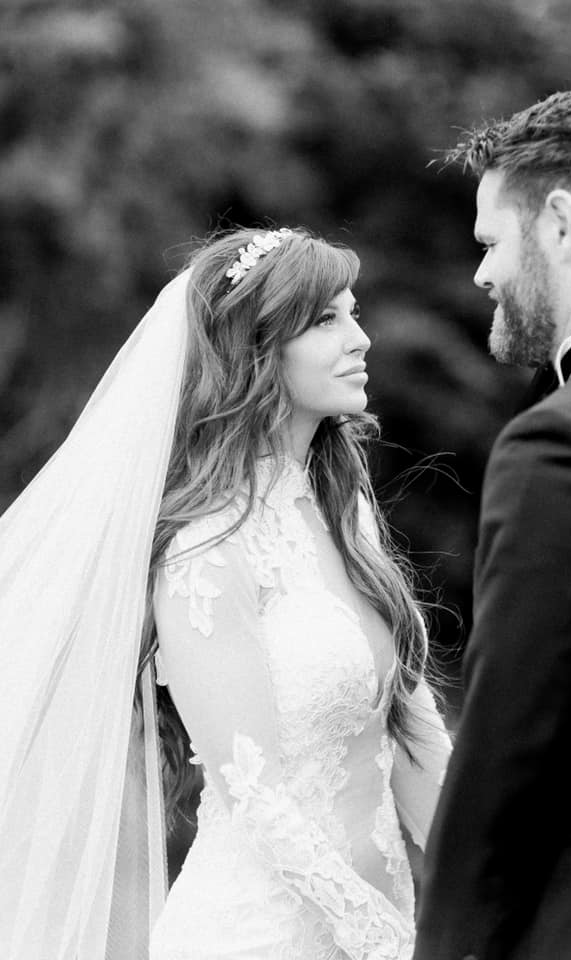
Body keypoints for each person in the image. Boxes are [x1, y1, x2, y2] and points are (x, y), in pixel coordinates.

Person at [0, 225, 451, 960]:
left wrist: (490, 892)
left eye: (355, 312)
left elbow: (414, 729)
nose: (361, 338)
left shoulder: (346, 507)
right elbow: (258, 794)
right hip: (261, 937)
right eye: (327, 320)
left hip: (384, 923)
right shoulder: (204, 547)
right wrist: (382, 942)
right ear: (258, 350)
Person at [413, 88, 571, 960]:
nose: (480, 275)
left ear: (558, 223)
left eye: (489, 243)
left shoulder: (568, 439)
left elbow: (512, 750)